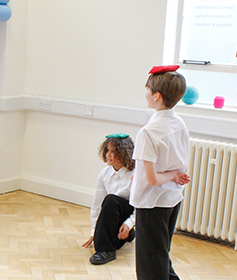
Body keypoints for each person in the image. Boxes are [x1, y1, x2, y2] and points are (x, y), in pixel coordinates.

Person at [130, 65, 191, 280]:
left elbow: (153, 178)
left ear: (156, 96)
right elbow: (173, 162)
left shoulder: (147, 132)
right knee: (160, 255)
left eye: (147, 88)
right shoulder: (180, 123)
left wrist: (172, 175)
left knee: (150, 266)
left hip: (152, 203)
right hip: (172, 199)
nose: (145, 91)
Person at [82, 133, 136, 265]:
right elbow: (97, 205)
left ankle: (106, 251)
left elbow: (141, 206)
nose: (108, 155)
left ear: (124, 153)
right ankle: (128, 235)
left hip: (129, 211)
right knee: (109, 202)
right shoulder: (104, 174)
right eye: (107, 150)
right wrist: (94, 232)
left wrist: (129, 223)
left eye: (114, 152)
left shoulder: (136, 174)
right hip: (113, 214)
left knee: (111, 200)